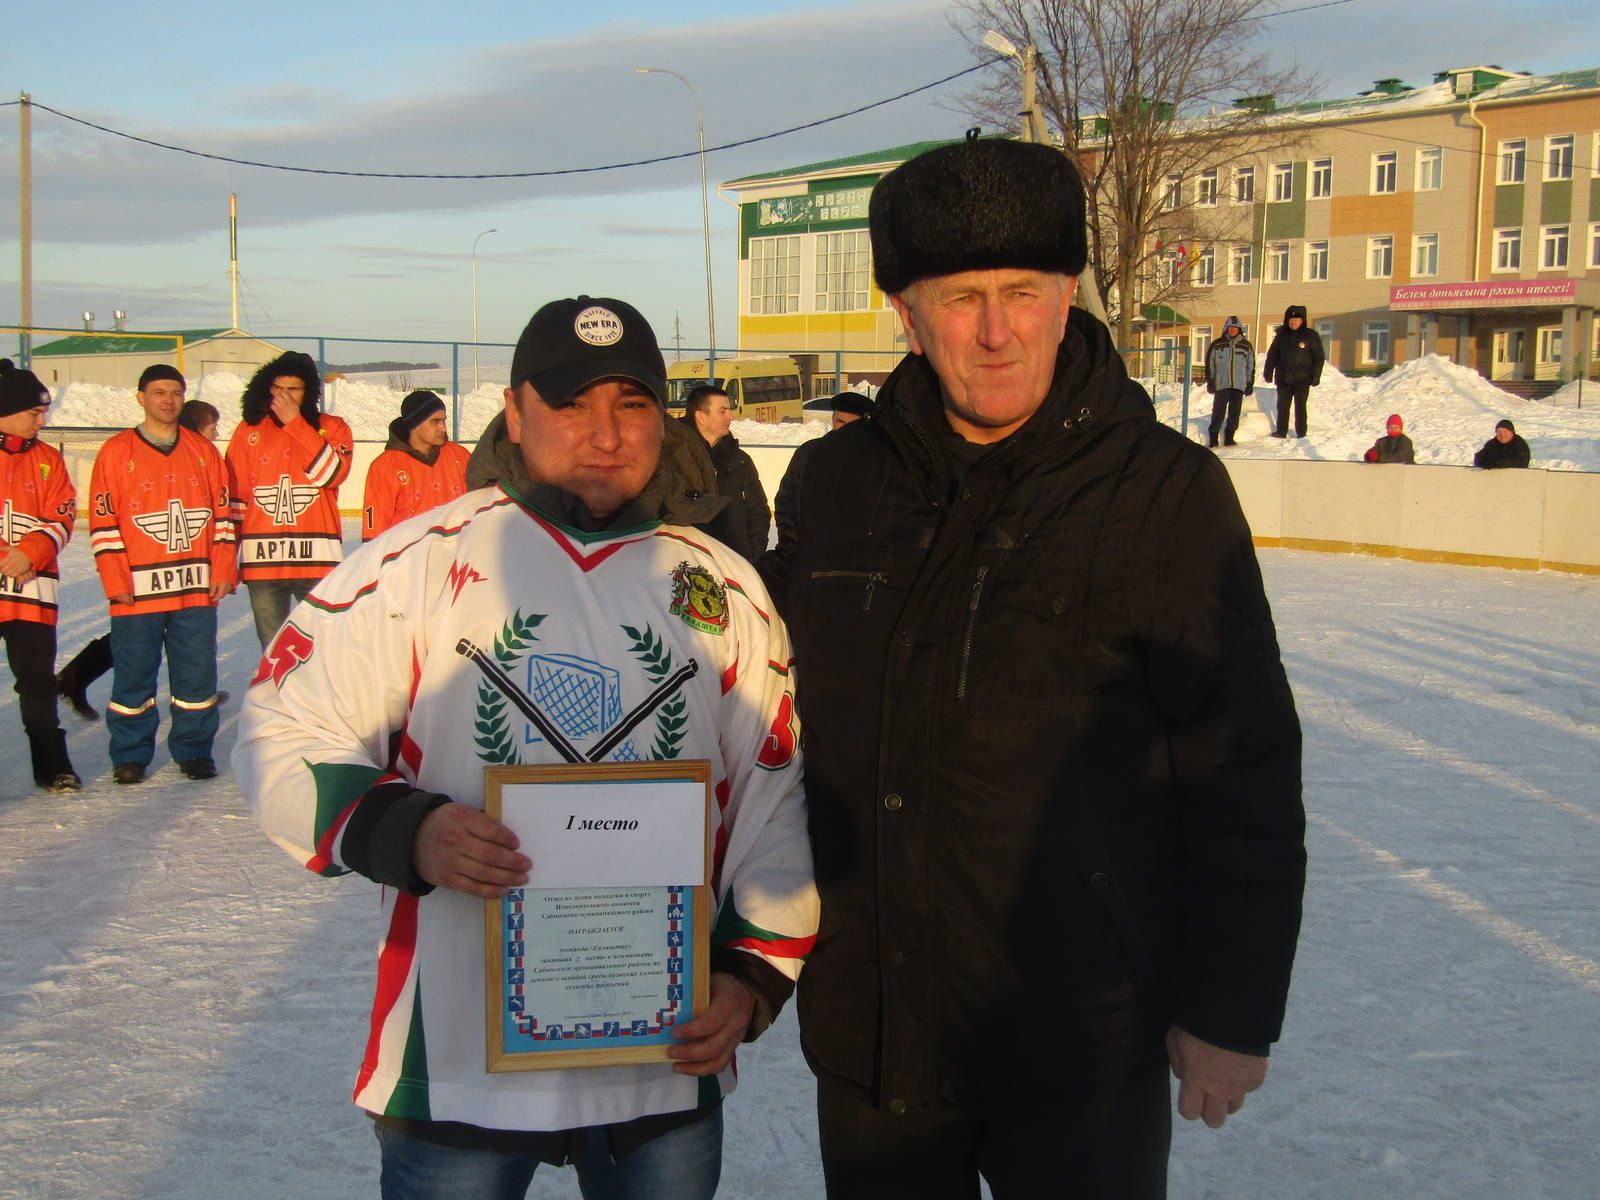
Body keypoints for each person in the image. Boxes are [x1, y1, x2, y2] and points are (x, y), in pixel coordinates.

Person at [759, 137, 1305, 1199]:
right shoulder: (832, 485)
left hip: (1082, 1044)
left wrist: (1231, 1010)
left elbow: (1242, 771)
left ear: (1067, 298)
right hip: (876, 1037)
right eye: (961, 297)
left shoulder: (1164, 494)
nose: (997, 330)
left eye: (1023, 291)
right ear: (906, 315)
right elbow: (760, 727)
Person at [235, 295, 818, 1199]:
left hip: (660, 1056)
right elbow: (283, 721)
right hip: (460, 1062)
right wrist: (406, 829)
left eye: (631, 404)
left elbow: (774, 795)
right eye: (571, 402)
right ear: (514, 412)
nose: (605, 432)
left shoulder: (722, 586)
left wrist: (751, 970)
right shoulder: (421, 562)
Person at [88, 365, 234, 784]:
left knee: (197, 674)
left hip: (193, 588)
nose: (167, 400)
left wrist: (222, 568)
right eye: (158, 392)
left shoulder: (203, 452)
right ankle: (130, 754)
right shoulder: (116, 452)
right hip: (137, 589)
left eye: (175, 392)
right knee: (134, 675)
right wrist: (117, 584)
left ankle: (193, 749)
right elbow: (104, 523)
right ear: (141, 397)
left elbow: (223, 516)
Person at [58, 397, 227, 722]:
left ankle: (198, 692)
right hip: (151, 571)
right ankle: (75, 676)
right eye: (212, 427)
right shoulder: (176, 457)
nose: (216, 434)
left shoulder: (203, 459)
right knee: (134, 643)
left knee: (176, 640)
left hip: (182, 574)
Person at [225, 351, 354, 648]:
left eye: (293, 389)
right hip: (264, 562)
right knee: (274, 650)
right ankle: (277, 697)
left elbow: (331, 474)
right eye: (278, 389)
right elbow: (236, 498)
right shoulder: (249, 430)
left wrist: (295, 424)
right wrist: (227, 561)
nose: (284, 397)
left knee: (326, 645)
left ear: (308, 391)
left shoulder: (333, 427)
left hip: (317, 561)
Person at [0, 359, 81, 792]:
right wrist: (5, 556)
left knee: (36, 682)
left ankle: (52, 765)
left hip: (32, 592)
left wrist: (30, 552)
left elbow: (63, 513)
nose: (42, 419)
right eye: (34, 412)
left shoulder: (49, 459)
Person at [771, 393, 875, 568]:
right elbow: (786, 503)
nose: (843, 430)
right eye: (839, 422)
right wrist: (792, 548)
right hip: (807, 561)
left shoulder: (874, 461)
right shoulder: (808, 454)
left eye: (851, 425)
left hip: (855, 567)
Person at [361, 389, 471, 541]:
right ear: (415, 423)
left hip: (455, 558)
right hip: (407, 560)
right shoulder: (386, 466)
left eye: (444, 420)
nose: (443, 428)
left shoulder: (459, 456)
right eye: (435, 421)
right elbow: (375, 531)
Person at [680, 385, 770, 558]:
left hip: (735, 568)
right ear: (700, 416)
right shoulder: (673, 458)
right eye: (722, 411)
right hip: (689, 570)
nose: (730, 416)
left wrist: (752, 553)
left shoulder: (740, 461)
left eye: (729, 410)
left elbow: (758, 511)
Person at [1262, 304, 1323, 438]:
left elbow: (1319, 357)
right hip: (1284, 379)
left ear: (1302, 321)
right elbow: (1272, 355)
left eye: (1296, 320)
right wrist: (1268, 372)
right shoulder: (1281, 336)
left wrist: (1316, 375)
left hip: (1302, 379)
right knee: (1282, 407)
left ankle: (1301, 432)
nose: (1293, 322)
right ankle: (1281, 431)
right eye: (1291, 320)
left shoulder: (1311, 336)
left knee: (1300, 407)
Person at [1203, 316, 1253, 447]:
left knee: (1234, 411)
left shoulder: (1246, 345)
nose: (1232, 330)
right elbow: (1210, 363)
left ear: (1239, 330)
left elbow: (1250, 365)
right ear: (1226, 329)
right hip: (1221, 384)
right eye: (1230, 328)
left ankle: (1229, 437)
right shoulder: (1217, 344)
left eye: (1235, 328)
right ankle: (1213, 437)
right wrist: (1210, 380)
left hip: (1238, 385)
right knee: (1218, 411)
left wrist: (1249, 383)